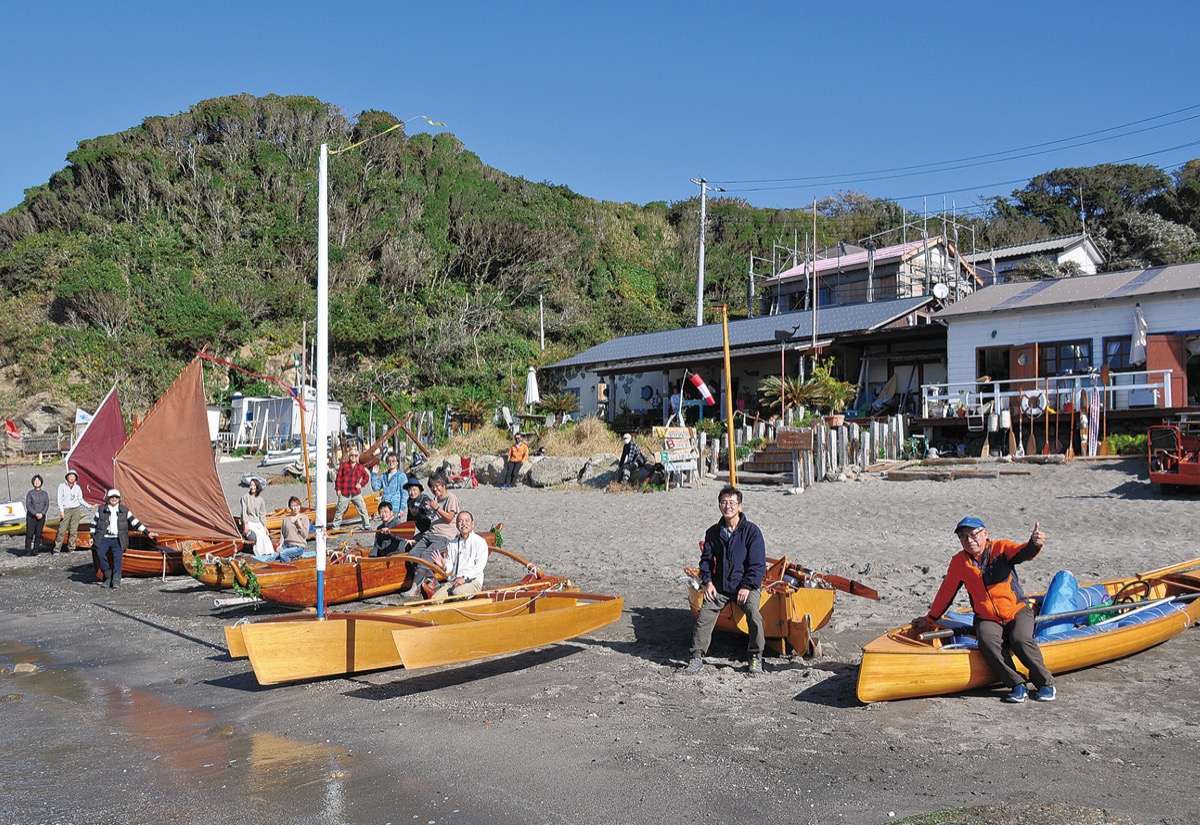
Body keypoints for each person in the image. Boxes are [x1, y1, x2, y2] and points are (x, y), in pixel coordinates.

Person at [912, 517, 1056, 703]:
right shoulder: (959, 562)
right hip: (987, 618)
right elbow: (946, 592)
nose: (969, 541)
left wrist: (1034, 544)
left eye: (973, 535)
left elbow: (1022, 553)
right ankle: (1016, 684)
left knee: (1020, 639)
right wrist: (930, 618)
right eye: (963, 537)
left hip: (1017, 611)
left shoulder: (1001, 548)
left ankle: (1045, 683)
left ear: (985, 534)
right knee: (987, 641)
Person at [686, 486, 767, 675]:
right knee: (704, 615)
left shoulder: (752, 532)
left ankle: (755, 657)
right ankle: (696, 657)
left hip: (746, 585)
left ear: (740, 506)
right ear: (719, 505)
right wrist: (708, 582)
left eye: (732, 503)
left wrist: (747, 586)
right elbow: (705, 562)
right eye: (724, 502)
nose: (727, 506)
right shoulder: (713, 533)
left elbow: (757, 565)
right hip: (720, 586)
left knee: (754, 614)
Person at [401, 473, 460, 597]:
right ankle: (433, 580)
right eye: (432, 487)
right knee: (412, 556)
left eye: (437, 486)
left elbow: (450, 518)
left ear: (443, 485)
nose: (435, 489)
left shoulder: (451, 498)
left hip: (444, 536)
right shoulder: (434, 500)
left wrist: (437, 508)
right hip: (429, 534)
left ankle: (415, 588)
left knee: (425, 556)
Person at [91, 489, 156, 588]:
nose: (114, 499)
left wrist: (147, 532)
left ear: (119, 499)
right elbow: (93, 523)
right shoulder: (101, 509)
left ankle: (116, 579)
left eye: (116, 497)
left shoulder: (124, 510)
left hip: (118, 539)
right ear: (108, 498)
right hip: (105, 538)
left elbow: (134, 522)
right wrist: (92, 537)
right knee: (100, 554)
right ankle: (108, 576)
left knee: (117, 557)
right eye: (112, 497)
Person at [430, 510, 488, 599]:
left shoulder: (480, 542)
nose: (463, 523)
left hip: (473, 581)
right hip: (454, 581)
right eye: (460, 521)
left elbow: (479, 567)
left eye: (467, 521)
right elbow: (449, 566)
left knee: (457, 593)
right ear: (457, 525)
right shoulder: (452, 543)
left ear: (472, 524)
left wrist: (464, 577)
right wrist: (444, 566)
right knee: (435, 600)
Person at [332, 447, 371, 530]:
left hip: (356, 492)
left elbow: (366, 477)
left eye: (356, 455)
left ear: (358, 457)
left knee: (363, 509)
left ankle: (366, 525)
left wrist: (361, 484)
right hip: (344, 492)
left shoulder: (360, 467)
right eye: (352, 455)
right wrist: (338, 489)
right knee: (340, 510)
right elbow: (338, 478)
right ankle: (335, 527)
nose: (353, 457)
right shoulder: (343, 465)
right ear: (349, 456)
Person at [54, 469, 87, 553]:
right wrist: (61, 511)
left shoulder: (77, 487)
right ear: (67, 477)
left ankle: (71, 547)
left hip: (76, 509)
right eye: (70, 476)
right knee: (62, 530)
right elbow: (59, 499)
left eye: (73, 476)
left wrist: (89, 506)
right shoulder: (62, 486)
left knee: (73, 530)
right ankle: (57, 548)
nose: (72, 478)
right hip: (66, 509)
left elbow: (80, 499)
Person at [239, 478, 273, 557]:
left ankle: (270, 554)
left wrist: (264, 526)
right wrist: (245, 524)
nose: (252, 487)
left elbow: (262, 514)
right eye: (251, 485)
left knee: (265, 537)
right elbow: (244, 512)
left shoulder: (261, 500)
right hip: (250, 522)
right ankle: (259, 554)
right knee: (258, 537)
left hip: (258, 522)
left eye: (254, 485)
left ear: (257, 487)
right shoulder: (245, 497)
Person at [371, 451, 408, 515]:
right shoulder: (383, 476)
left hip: (395, 508)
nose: (391, 463)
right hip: (384, 507)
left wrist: (402, 508)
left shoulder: (402, 476)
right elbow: (375, 488)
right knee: (385, 525)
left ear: (397, 462)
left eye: (393, 461)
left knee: (395, 525)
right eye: (389, 461)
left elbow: (405, 493)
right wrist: (373, 475)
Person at [275, 496, 311, 562]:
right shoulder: (286, 518)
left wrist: (300, 526)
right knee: (272, 556)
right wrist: (280, 545)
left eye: (297, 505)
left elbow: (305, 535)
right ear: (290, 507)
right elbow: (283, 533)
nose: (296, 508)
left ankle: (289, 569)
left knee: (283, 553)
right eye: (293, 506)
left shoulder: (304, 517)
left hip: (298, 546)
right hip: (286, 545)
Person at [25, 474, 49, 556]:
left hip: (41, 516)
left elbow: (47, 504)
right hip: (31, 516)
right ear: (33, 482)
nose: (37, 482)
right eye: (35, 481)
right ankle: (28, 551)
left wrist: (42, 513)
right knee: (29, 534)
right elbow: (28, 505)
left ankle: (36, 550)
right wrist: (35, 513)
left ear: (41, 482)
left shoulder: (44, 493)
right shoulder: (30, 493)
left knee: (38, 534)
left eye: (38, 481)